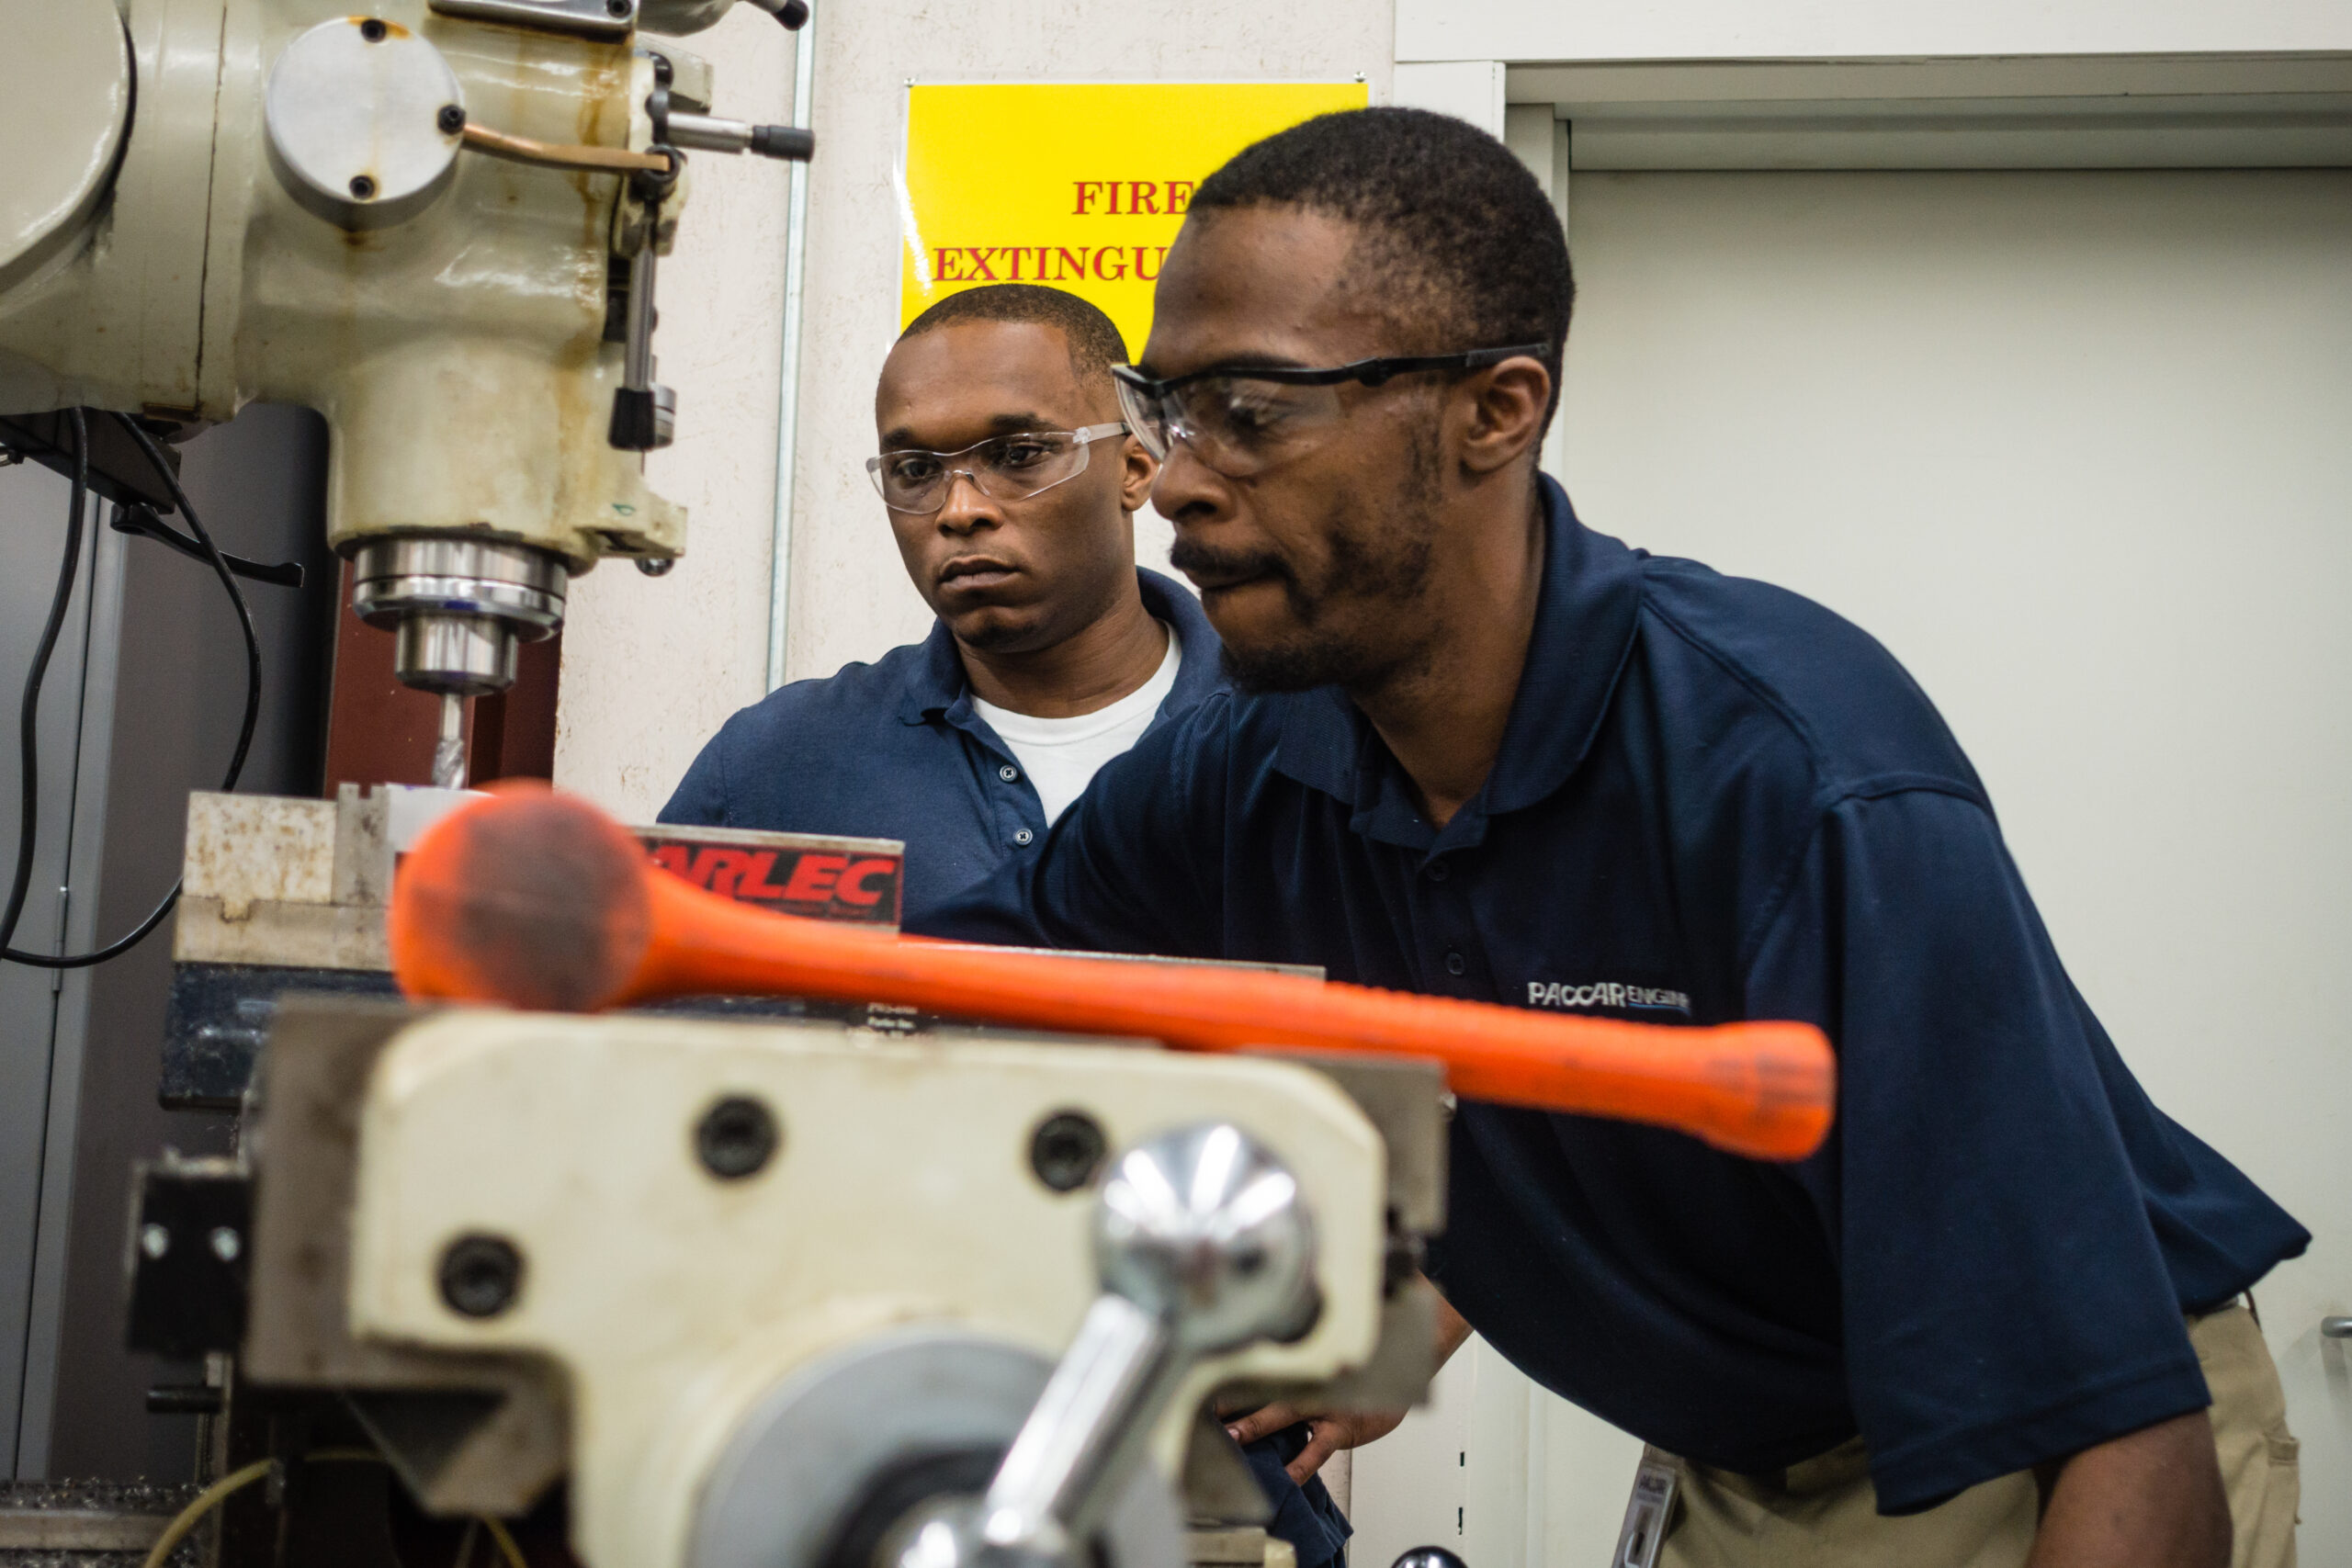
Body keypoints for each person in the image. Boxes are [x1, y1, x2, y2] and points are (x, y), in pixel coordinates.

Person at [913, 110, 2309, 1568]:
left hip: (2046, 1452)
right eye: (1169, 408)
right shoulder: (1249, 764)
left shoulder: (1794, 772)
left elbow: (2115, 1402)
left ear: (1497, 411)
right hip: (1741, 1454)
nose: (1179, 480)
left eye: (1252, 411)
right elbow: (959, 994)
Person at [660, 284, 1356, 1568]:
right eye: (915, 471)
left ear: (1141, 461)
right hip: (862, 1469)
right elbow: (636, 1077)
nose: (961, 509)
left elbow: (1493, 1038)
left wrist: (1423, 1317)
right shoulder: (786, 772)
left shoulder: (1309, 748)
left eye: (1020, 454)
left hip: (1213, 1476)